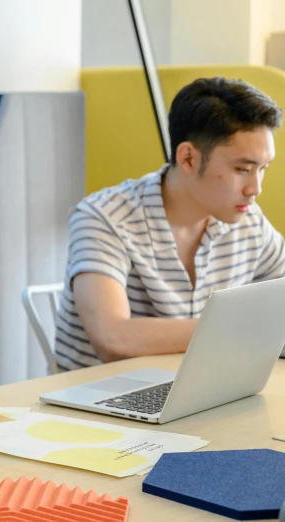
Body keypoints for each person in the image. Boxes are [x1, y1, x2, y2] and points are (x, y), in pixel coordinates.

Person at [55, 77, 285, 371]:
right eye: (242, 169)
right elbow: (113, 339)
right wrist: (241, 328)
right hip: (96, 404)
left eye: (262, 169)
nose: (255, 187)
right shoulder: (103, 217)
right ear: (188, 158)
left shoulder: (249, 221)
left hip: (201, 394)